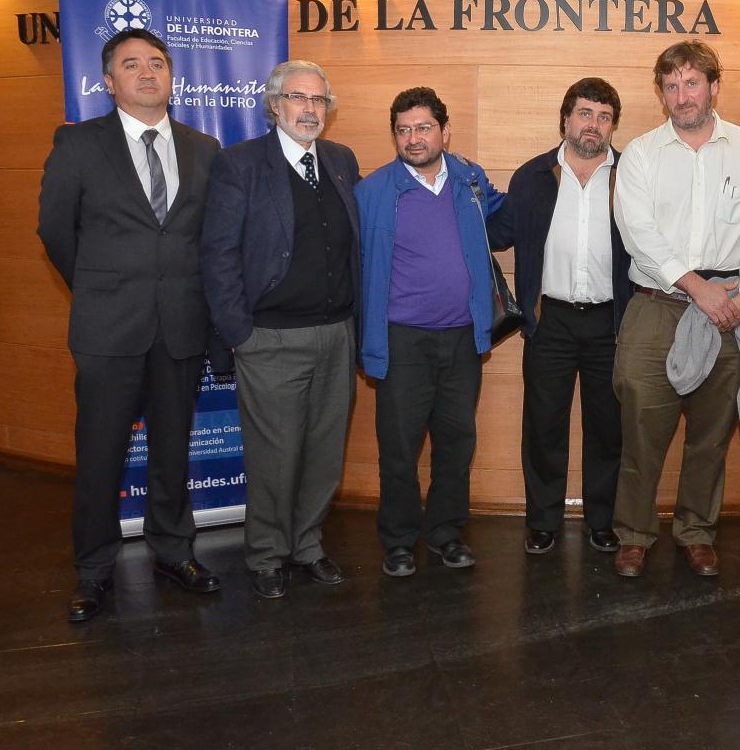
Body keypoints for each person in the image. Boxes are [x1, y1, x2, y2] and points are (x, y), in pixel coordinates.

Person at [38, 28, 222, 622]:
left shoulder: (204, 148)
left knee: (172, 449)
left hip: (181, 326)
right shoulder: (77, 144)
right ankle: (93, 569)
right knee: (100, 454)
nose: (147, 73)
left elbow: (210, 238)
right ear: (109, 81)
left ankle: (173, 550)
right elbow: (55, 231)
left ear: (172, 77)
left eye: (158, 63)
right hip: (108, 328)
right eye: (132, 64)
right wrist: (101, 288)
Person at [610, 40, 740, 578]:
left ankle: (697, 533)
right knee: (641, 429)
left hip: (731, 311)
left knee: (711, 433)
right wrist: (695, 287)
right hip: (657, 307)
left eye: (692, 83)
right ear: (661, 94)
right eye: (671, 86)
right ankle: (634, 535)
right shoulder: (640, 154)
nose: (682, 96)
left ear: (713, 86)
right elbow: (638, 233)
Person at [200, 60, 361, 599]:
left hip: (336, 333)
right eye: (298, 98)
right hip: (269, 338)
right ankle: (267, 554)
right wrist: (239, 334)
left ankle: (308, 545)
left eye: (319, 100)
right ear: (274, 105)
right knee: (275, 456)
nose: (309, 109)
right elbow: (218, 255)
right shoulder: (240, 164)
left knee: (324, 452)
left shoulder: (341, 160)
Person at [356, 87, 505, 577]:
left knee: (456, 441)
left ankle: (446, 533)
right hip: (402, 341)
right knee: (399, 446)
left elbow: (507, 217)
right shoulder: (373, 192)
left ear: (445, 130)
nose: (414, 138)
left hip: (462, 338)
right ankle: (399, 540)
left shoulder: (469, 180)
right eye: (403, 130)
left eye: (423, 127)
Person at [486, 78, 633, 556]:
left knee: (608, 427)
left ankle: (602, 521)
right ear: (566, 119)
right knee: (544, 425)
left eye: (604, 117)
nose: (594, 125)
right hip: (549, 321)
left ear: (612, 126)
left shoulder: (632, 174)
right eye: (585, 113)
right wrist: (464, 195)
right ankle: (543, 521)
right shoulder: (532, 176)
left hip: (612, 324)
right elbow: (499, 233)